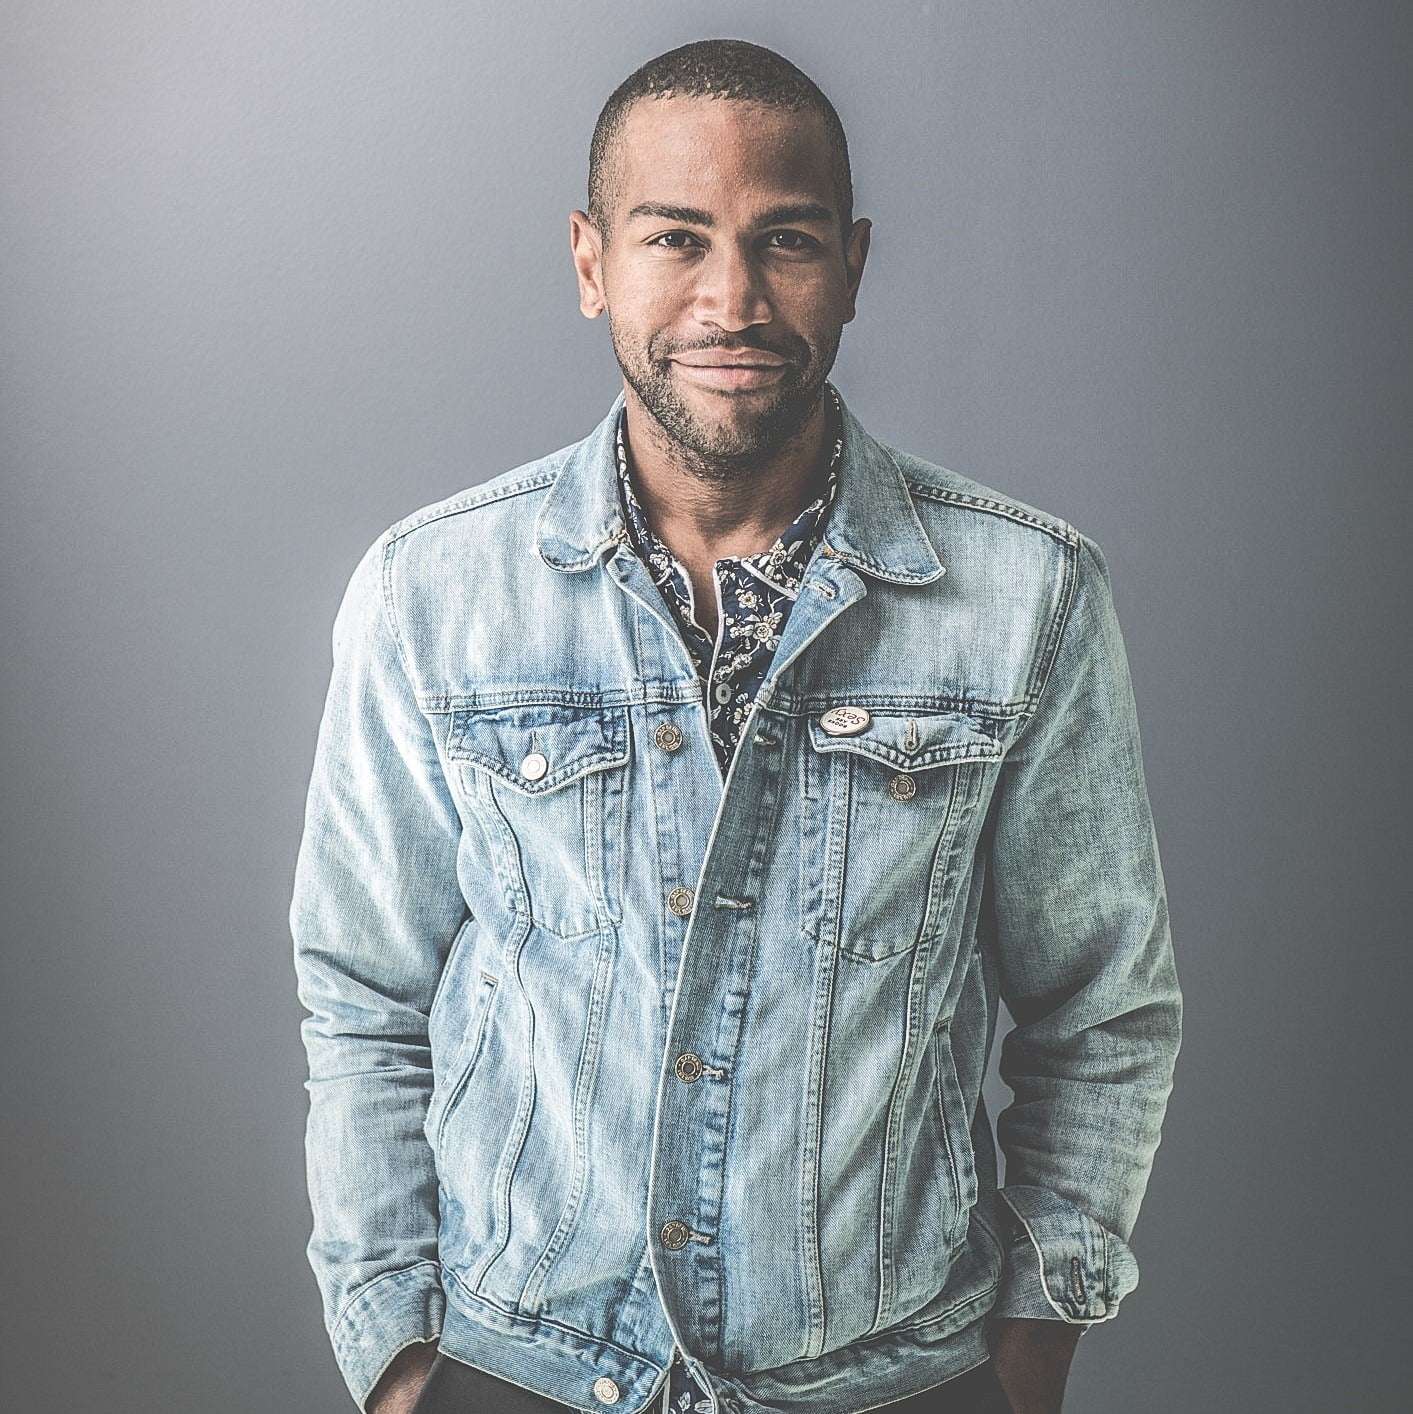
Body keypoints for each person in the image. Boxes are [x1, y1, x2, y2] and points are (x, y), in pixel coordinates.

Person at [291, 38, 1181, 1414]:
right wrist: (399, 1354)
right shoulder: (431, 592)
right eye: (675, 238)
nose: (732, 297)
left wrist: (1032, 1343)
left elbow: (1100, 1010)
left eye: (786, 240)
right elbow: (361, 992)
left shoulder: (1027, 595)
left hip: (895, 1376)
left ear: (853, 264)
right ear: (591, 262)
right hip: (514, 1365)